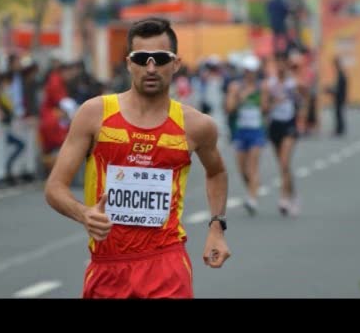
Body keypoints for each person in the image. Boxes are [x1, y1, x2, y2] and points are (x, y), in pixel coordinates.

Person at [45, 17, 231, 299]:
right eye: (142, 58)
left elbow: (216, 171)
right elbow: (54, 188)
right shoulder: (94, 114)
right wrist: (84, 214)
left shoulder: (196, 125)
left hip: (166, 264)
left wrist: (216, 228)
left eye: (160, 58)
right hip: (107, 268)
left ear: (176, 63)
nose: (151, 67)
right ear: (129, 63)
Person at [262, 52, 307, 217]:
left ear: (286, 65)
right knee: (283, 167)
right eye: (277, 63)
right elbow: (264, 108)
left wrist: (302, 115)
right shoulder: (269, 85)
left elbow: (305, 98)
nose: (280, 67)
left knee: (284, 162)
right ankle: (294, 194)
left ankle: (284, 198)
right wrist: (274, 101)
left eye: (283, 63)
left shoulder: (293, 83)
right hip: (275, 126)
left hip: (289, 125)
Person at [225, 54, 266, 216]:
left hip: (256, 131)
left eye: (252, 70)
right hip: (240, 132)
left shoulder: (261, 87)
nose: (250, 73)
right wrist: (239, 98)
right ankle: (252, 188)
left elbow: (265, 108)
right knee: (242, 170)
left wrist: (260, 98)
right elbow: (229, 108)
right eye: (247, 70)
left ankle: (252, 198)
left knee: (252, 165)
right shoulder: (236, 87)